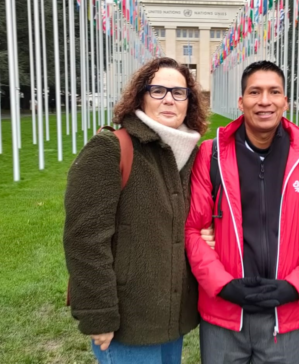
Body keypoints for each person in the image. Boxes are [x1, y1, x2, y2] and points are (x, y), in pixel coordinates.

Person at [186, 61, 299, 364]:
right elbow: (192, 230)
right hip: (224, 312)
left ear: (285, 101)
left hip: (285, 314)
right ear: (241, 102)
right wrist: (224, 286)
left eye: (273, 92)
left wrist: (294, 287)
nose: (264, 100)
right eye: (255, 92)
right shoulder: (210, 155)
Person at [64, 57, 209, 364]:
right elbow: (85, 241)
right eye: (158, 90)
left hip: (171, 321)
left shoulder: (187, 155)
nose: (169, 98)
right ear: (141, 95)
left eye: (179, 92)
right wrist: (98, 315)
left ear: (189, 102)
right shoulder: (110, 148)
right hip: (127, 325)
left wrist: (202, 236)